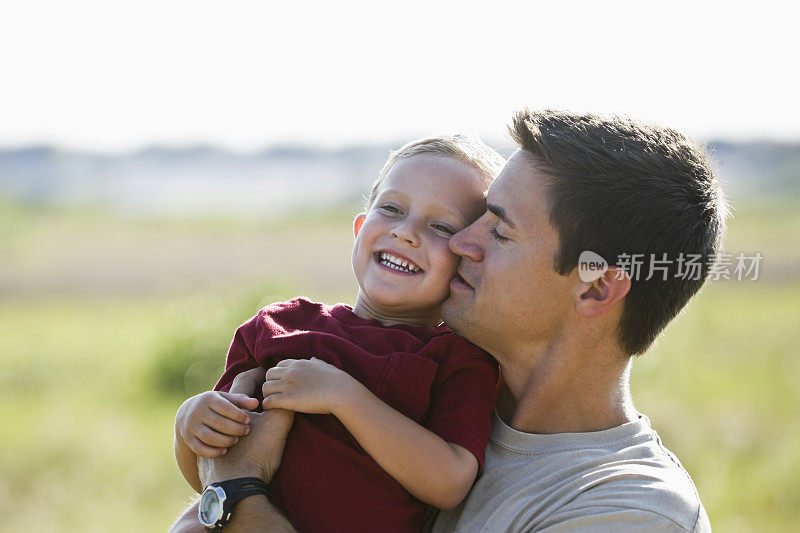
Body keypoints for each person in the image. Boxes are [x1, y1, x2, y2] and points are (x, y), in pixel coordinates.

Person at [171, 109, 724, 532]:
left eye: (498, 230)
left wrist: (237, 495)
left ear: (596, 285)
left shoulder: (627, 510)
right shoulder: (431, 399)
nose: (460, 243)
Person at [173, 135, 506, 532]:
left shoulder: (459, 360)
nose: (405, 231)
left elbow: (450, 482)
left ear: (467, 260)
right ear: (360, 227)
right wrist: (188, 424)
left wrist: (344, 396)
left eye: (440, 225)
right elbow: (214, 471)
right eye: (392, 208)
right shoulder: (279, 327)